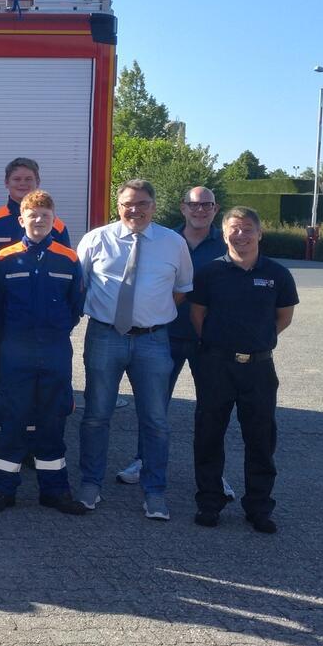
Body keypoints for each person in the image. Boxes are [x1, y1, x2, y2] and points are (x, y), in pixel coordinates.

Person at [75, 179, 194, 520]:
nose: (135, 210)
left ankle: (154, 492)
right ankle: (90, 484)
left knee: (155, 419)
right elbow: (79, 285)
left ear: (154, 207)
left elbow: (181, 289)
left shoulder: (174, 243)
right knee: (97, 415)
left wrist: (148, 315)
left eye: (142, 203)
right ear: (118, 206)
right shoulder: (96, 239)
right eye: (128, 203)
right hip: (105, 336)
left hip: (154, 340)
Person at [0, 191, 89, 515]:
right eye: (33, 215)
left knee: (52, 420)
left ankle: (54, 491)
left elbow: (74, 307)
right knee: (12, 419)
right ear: (21, 219)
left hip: (54, 349)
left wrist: (53, 331)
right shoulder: (3, 259)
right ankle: (1, 490)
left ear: (54, 221)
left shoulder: (68, 259)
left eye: (45, 216)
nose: (39, 221)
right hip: (15, 351)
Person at [189, 207, 298, 533]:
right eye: (234, 229)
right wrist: (219, 345)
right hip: (216, 366)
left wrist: (256, 342)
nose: (241, 235)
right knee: (208, 435)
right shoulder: (209, 273)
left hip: (259, 368)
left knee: (261, 439)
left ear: (260, 233)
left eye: (248, 228)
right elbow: (198, 315)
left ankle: (259, 507)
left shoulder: (277, 274)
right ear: (224, 234)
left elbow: (284, 317)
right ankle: (210, 502)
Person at [116, 186, 229, 488]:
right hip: (167, 335)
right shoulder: (167, 240)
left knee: (212, 408)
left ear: (215, 209)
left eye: (207, 205)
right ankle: (143, 460)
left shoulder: (226, 243)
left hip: (211, 339)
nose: (200, 210)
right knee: (154, 406)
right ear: (183, 208)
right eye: (194, 205)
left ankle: (213, 475)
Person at [0, 158, 69, 463]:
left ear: (37, 182)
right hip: (0, 321)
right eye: (17, 179)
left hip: (40, 328)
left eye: (28, 179)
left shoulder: (59, 225)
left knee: (37, 388)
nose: (23, 184)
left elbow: (68, 278)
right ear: (6, 183)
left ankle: (29, 444)